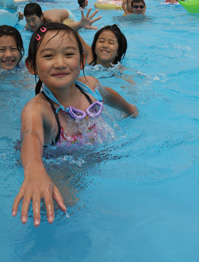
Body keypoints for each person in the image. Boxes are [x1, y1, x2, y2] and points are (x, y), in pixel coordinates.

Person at [12, 23, 138, 226]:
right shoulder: (38, 110)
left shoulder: (89, 86)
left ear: (82, 61)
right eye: (48, 56)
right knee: (67, 209)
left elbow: (108, 95)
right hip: (55, 164)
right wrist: (34, 168)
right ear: (31, 66)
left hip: (90, 154)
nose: (60, 63)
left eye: (68, 54)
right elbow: (31, 135)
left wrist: (129, 109)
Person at [24, 2, 101, 32]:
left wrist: (80, 24)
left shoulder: (52, 20)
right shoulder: (29, 23)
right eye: (27, 20)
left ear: (41, 17)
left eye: (33, 20)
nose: (31, 24)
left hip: (67, 16)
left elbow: (65, 29)